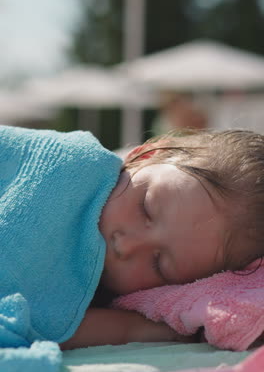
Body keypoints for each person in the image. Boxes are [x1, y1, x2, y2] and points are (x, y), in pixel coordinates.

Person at [1, 126, 264, 351]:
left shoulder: (95, 303)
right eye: (145, 208)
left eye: (158, 264)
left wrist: (135, 329)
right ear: (146, 155)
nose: (125, 245)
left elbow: (42, 325)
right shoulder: (69, 164)